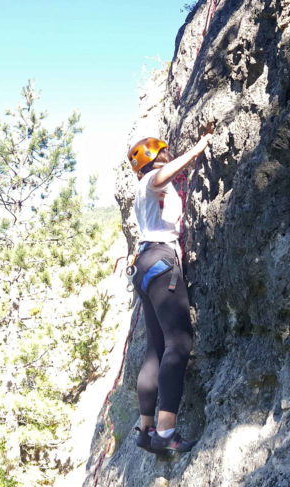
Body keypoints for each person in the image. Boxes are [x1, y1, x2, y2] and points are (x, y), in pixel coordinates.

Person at [126, 131, 212, 454]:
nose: (167, 154)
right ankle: (165, 432)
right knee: (179, 342)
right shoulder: (150, 180)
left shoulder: (143, 190)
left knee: (155, 349)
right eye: (163, 152)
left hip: (145, 264)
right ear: (155, 158)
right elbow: (161, 175)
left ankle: (146, 428)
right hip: (160, 261)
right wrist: (197, 150)